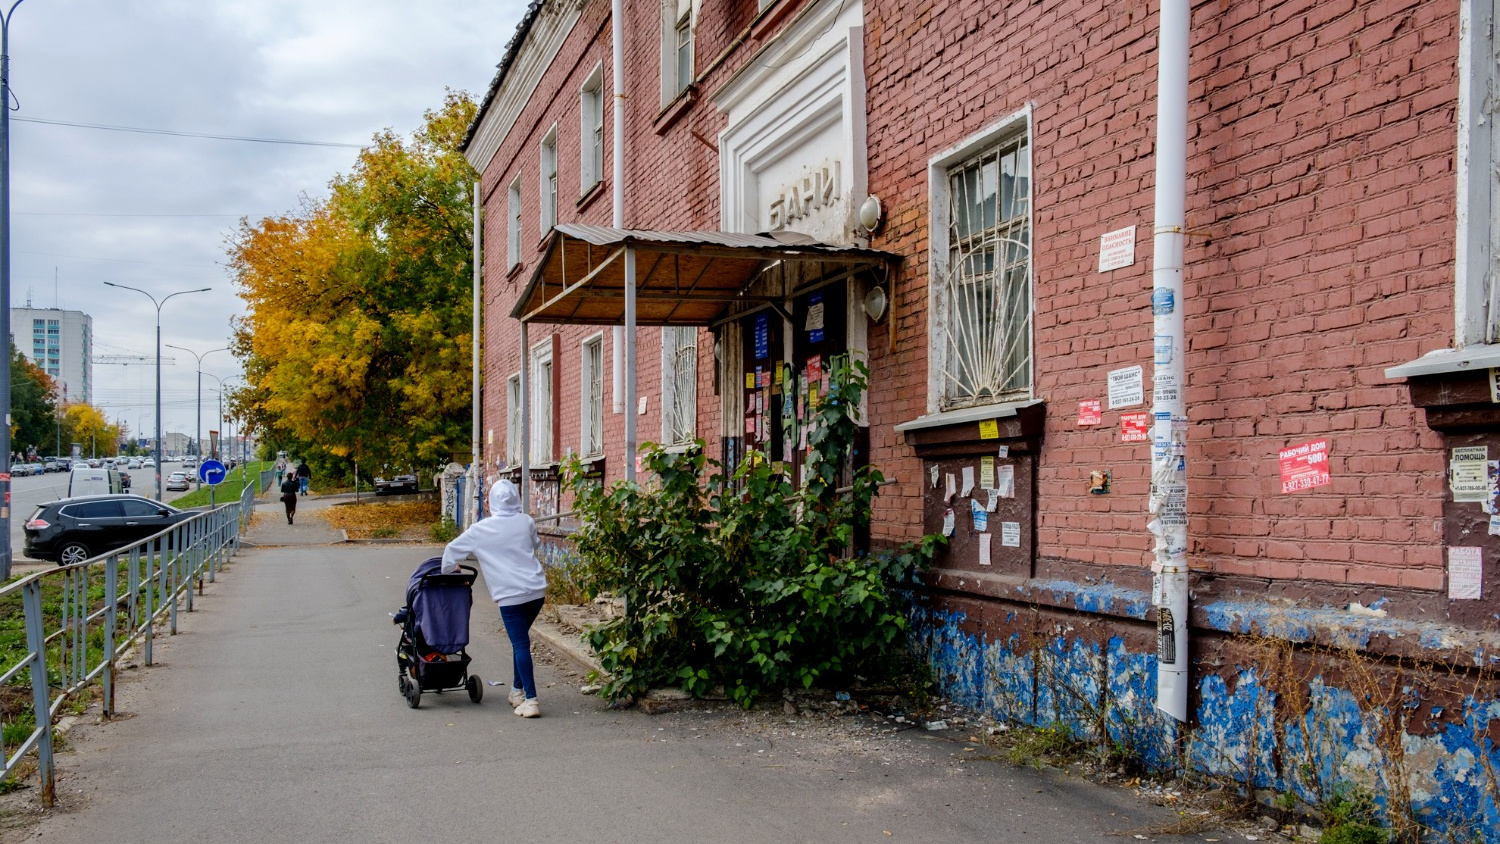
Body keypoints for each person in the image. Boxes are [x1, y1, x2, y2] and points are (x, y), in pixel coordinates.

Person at [440, 479, 548, 718]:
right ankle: (517, 691)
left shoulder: (480, 530)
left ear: (493, 502)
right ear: (516, 499)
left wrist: (451, 571)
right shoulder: (526, 521)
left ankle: (531, 700)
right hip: (536, 591)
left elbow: (450, 550)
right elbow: (535, 545)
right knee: (519, 642)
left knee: (520, 644)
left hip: (510, 596)